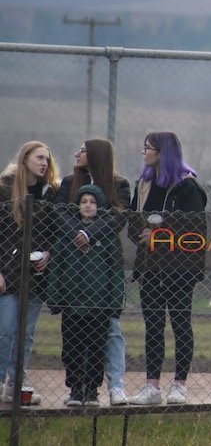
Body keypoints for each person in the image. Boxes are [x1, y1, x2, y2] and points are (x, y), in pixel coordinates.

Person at [128, 132, 207, 406]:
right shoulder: (143, 185)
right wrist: (142, 232)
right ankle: (152, 386)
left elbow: (195, 231)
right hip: (150, 269)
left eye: (148, 148)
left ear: (164, 153)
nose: (143, 153)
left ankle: (179, 384)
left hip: (180, 271)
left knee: (180, 325)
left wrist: (159, 235)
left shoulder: (187, 188)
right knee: (153, 326)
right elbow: (133, 225)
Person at [53, 138, 132, 406]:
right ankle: (76, 387)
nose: (77, 154)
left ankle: (111, 386)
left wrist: (89, 233)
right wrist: (76, 234)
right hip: (73, 267)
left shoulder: (118, 185)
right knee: (73, 340)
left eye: (83, 150)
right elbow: (59, 214)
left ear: (96, 155)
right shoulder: (67, 183)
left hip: (102, 265)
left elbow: (118, 218)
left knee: (108, 334)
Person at [0, 141, 59, 405]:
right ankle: (1, 379)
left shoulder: (51, 195)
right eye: (38, 158)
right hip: (8, 275)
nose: (44, 163)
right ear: (24, 160)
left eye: (47, 159)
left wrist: (49, 254)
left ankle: (16, 384)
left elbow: (54, 233)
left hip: (36, 278)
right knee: (8, 329)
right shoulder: (5, 191)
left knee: (27, 333)